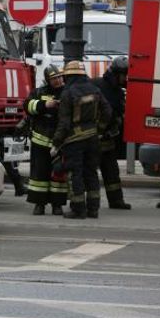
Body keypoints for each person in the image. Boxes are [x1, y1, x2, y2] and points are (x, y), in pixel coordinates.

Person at [52, 61, 112, 219]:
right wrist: (99, 129)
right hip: (93, 139)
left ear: (69, 76)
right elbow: (107, 111)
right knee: (91, 173)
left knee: (75, 174)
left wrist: (56, 142)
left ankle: (79, 209)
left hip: (74, 140)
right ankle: (93, 209)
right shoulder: (95, 89)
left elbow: (64, 123)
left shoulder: (68, 93)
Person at [23, 65, 67, 215]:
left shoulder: (66, 92)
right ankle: (39, 204)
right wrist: (44, 105)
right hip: (40, 140)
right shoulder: (39, 92)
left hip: (60, 142)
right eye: (54, 79)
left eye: (60, 77)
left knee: (58, 176)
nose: (58, 80)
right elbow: (27, 105)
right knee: (39, 175)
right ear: (48, 80)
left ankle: (57, 205)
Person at [93, 57, 132, 210]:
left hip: (107, 139)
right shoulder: (97, 86)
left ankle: (116, 201)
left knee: (112, 173)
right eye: (124, 75)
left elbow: (118, 113)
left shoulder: (116, 90)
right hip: (94, 138)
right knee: (90, 173)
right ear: (116, 74)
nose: (125, 78)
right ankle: (90, 202)